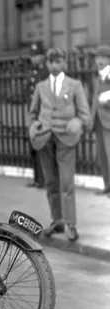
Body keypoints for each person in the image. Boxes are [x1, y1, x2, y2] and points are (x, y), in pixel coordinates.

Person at [27, 47, 92, 242]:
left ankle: (71, 224)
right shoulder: (41, 87)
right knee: (51, 182)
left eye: (58, 61)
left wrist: (78, 122)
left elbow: (85, 114)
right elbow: (32, 113)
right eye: (51, 61)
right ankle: (57, 220)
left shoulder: (74, 85)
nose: (54, 65)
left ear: (64, 63)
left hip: (66, 137)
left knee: (66, 182)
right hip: (45, 138)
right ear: (47, 64)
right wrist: (33, 126)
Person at [25, 42, 47, 189]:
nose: (34, 58)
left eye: (36, 55)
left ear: (42, 56)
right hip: (32, 114)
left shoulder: (45, 72)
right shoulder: (32, 72)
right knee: (33, 147)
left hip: (42, 115)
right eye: (32, 55)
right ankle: (37, 178)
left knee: (42, 147)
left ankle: (43, 179)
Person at [91, 44, 110, 197]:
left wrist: (107, 100)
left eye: (104, 57)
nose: (100, 60)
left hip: (109, 121)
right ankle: (107, 185)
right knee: (102, 156)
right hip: (98, 121)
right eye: (98, 57)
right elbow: (94, 100)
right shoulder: (97, 76)